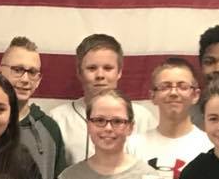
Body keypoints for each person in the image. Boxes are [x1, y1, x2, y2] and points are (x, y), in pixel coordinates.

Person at [50, 34, 156, 166]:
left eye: (108, 68)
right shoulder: (59, 118)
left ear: (119, 72)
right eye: (92, 68)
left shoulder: (142, 117)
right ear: (79, 72)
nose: (100, 75)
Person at [0, 36, 66, 179]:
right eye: (17, 70)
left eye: (32, 72)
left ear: (39, 79)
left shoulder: (50, 130)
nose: (25, 79)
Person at [129, 57, 212, 178]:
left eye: (182, 86)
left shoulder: (209, 146)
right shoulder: (133, 146)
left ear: (195, 95)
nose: (173, 93)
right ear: (153, 96)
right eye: (165, 87)